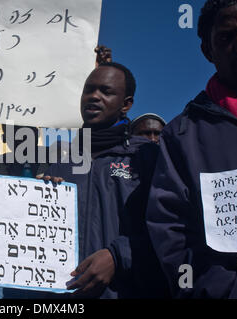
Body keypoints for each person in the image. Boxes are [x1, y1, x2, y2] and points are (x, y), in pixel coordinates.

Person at [146, 0, 237, 298]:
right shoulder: (181, 134)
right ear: (208, 51)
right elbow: (169, 225)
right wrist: (214, 289)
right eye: (227, 36)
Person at [42, 60, 169, 298]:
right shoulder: (61, 162)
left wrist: (118, 256)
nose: (94, 96)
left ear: (126, 104)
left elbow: (172, 229)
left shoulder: (149, 157)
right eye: (89, 90)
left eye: (106, 91)